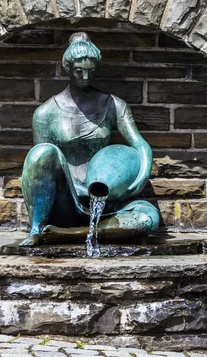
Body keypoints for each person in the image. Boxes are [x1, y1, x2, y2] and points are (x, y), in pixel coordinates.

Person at [19, 32, 160, 247]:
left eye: (90, 72)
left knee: (148, 217)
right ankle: (38, 229)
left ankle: (71, 235)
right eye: (79, 72)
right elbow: (38, 169)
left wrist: (141, 175)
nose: (85, 78)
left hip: (104, 202)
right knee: (42, 153)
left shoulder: (113, 105)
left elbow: (139, 144)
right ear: (67, 69)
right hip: (67, 201)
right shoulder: (45, 113)